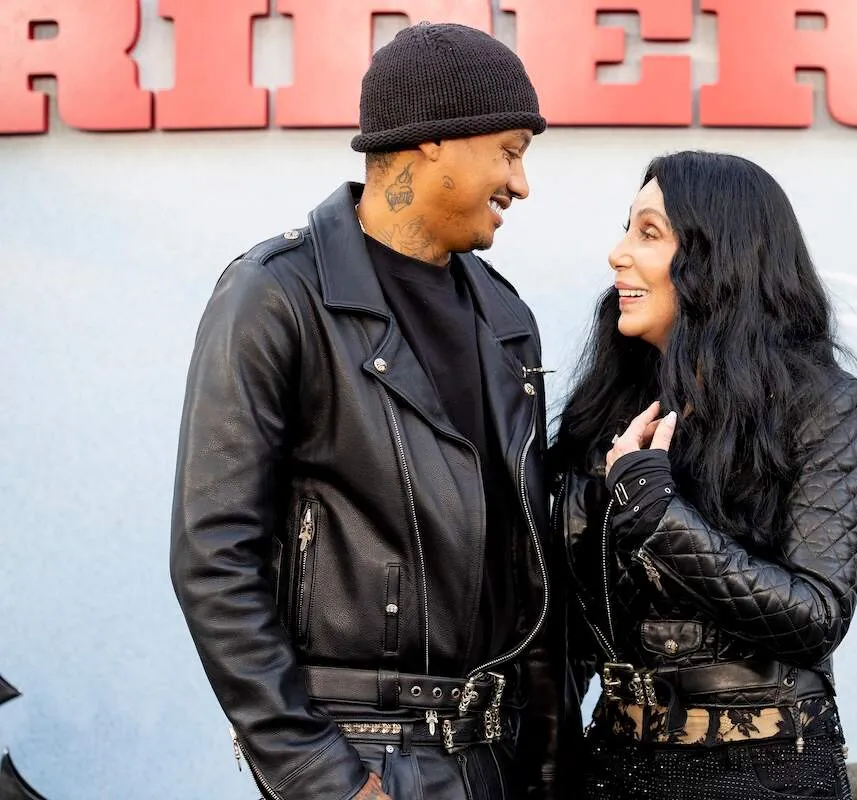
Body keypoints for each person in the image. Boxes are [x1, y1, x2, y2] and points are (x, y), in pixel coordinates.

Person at [170, 23, 568, 800]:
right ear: (433, 143)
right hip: (364, 755)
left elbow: (530, 566)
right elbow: (213, 557)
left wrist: (552, 763)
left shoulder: (506, 317)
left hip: (497, 756)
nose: (521, 184)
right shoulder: (277, 294)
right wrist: (321, 776)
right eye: (511, 152)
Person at [550, 151, 857, 799]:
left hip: (764, 771)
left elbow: (815, 614)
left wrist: (657, 511)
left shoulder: (825, 406)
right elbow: (568, 638)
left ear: (716, 259)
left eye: (648, 232)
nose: (618, 253)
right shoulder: (610, 412)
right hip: (613, 767)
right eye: (627, 229)